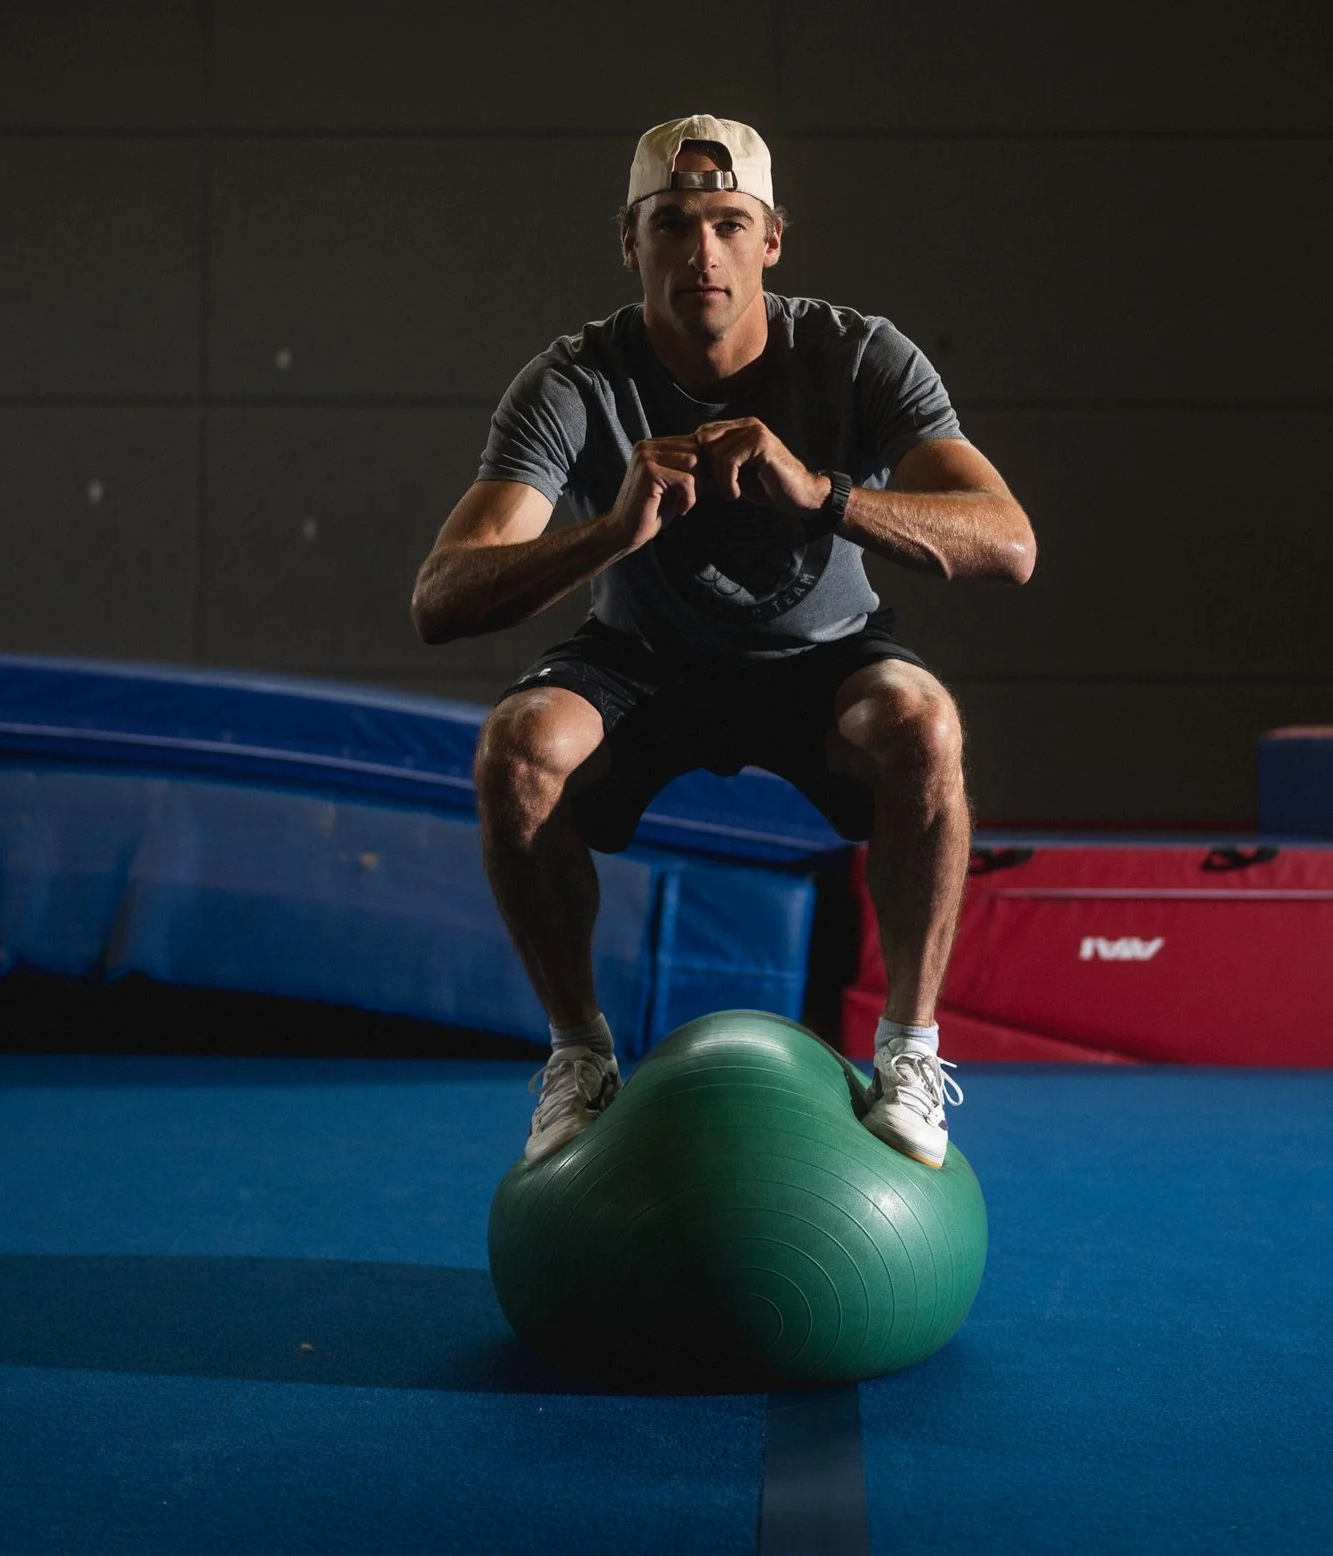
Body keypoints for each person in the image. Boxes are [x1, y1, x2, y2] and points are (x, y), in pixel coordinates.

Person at [412, 114, 1036, 1168]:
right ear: (630, 239)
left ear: (771, 238)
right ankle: (578, 1053)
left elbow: (1008, 541)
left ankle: (911, 1049)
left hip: (822, 656)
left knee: (922, 724)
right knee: (519, 745)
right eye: (673, 224)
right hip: (640, 662)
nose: (701, 251)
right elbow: (442, 594)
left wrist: (822, 492)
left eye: (727, 223)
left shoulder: (857, 351)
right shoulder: (574, 380)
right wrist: (607, 533)